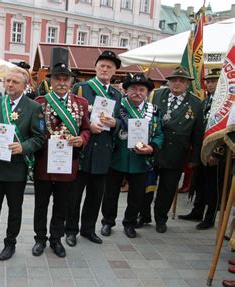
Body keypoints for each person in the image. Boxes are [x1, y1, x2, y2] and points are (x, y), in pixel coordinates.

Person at [0, 67, 45, 261]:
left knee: (14, 210)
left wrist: (23, 147)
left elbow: (39, 138)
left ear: (25, 85)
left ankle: (10, 243)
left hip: (16, 168)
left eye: (15, 82)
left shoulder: (33, 107)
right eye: (7, 81)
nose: (10, 85)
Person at [32, 63, 91, 257]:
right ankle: (40, 239)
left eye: (66, 79)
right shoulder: (40, 102)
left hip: (68, 164)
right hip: (44, 162)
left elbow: (86, 129)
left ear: (72, 82)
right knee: (41, 204)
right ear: (51, 80)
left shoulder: (80, 103)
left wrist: (81, 139)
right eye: (58, 78)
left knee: (62, 204)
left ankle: (56, 239)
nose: (62, 83)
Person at [65, 50, 121, 244]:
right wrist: (88, 126)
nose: (105, 70)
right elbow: (70, 116)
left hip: (103, 152)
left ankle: (88, 229)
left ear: (114, 72)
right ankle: (71, 230)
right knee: (74, 195)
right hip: (83, 150)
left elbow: (120, 121)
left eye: (109, 67)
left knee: (95, 195)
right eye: (102, 66)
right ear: (96, 68)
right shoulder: (82, 88)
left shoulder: (116, 94)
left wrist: (116, 123)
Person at [101, 74, 163, 238]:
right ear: (126, 90)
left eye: (142, 89)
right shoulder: (116, 107)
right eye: (133, 89)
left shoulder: (153, 110)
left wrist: (152, 148)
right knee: (110, 194)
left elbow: (159, 133)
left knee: (136, 196)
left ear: (147, 92)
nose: (137, 92)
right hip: (117, 157)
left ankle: (129, 223)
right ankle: (107, 222)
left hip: (140, 159)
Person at [144, 66, 204, 233]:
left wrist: (194, 158)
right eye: (174, 80)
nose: (177, 83)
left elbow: (198, 134)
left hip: (176, 152)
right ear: (168, 82)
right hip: (153, 149)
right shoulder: (155, 95)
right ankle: (143, 215)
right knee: (146, 185)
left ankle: (161, 219)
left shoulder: (196, 103)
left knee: (168, 188)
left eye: (182, 80)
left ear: (187, 84)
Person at [178, 68, 224, 229]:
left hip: (215, 152)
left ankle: (209, 217)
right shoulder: (205, 101)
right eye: (208, 81)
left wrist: (217, 153)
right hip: (200, 149)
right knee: (199, 182)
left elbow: (225, 132)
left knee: (213, 186)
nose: (209, 84)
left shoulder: (225, 105)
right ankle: (197, 210)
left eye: (213, 81)